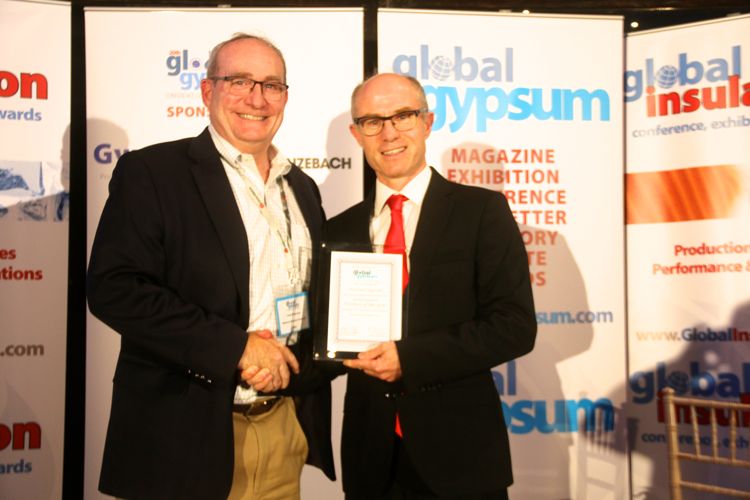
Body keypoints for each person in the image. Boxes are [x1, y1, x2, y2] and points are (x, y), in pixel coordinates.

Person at [87, 33, 334, 500]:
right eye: (239, 81)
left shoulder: (301, 187)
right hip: (183, 437)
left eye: (271, 85)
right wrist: (237, 348)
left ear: (285, 96)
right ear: (207, 91)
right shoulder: (155, 172)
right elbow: (114, 288)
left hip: (282, 427)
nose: (257, 99)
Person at [325, 73, 537, 499]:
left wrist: (409, 358)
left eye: (403, 116)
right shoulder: (338, 229)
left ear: (427, 122)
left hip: (461, 455)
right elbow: (329, 340)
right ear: (356, 133)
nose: (389, 133)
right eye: (372, 121)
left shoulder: (481, 211)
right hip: (372, 458)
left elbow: (514, 326)